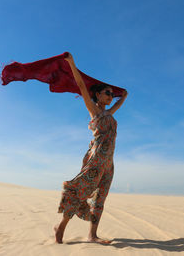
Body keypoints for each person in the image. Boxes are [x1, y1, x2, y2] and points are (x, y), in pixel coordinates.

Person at [54, 53, 128, 244]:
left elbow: (118, 105)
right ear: (97, 94)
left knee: (100, 199)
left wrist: (124, 96)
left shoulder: (108, 113)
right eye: (108, 93)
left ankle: (92, 235)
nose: (111, 96)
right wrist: (72, 63)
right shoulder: (94, 110)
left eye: (112, 94)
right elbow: (80, 86)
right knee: (80, 191)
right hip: (96, 160)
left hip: (109, 163)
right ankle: (60, 226)